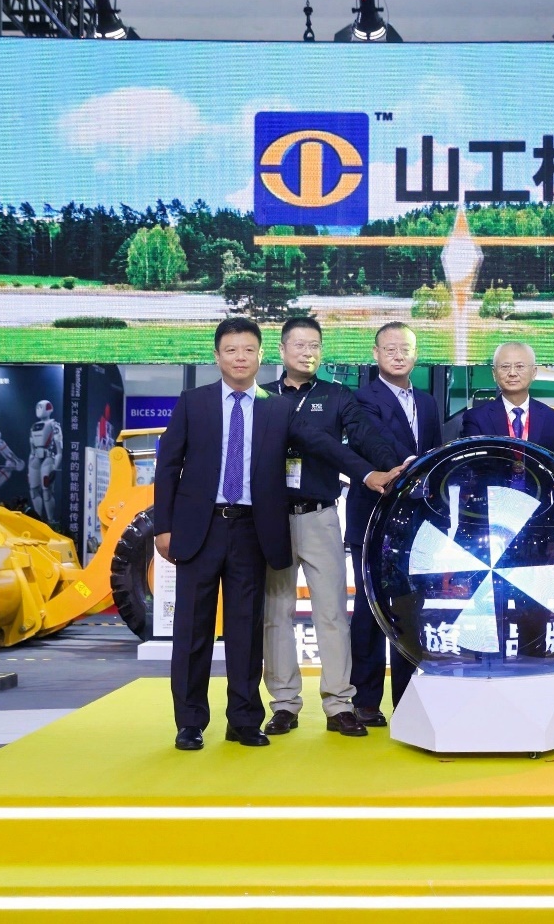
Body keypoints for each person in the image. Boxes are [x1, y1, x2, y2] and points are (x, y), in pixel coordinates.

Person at [153, 318, 402, 752]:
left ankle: (244, 720)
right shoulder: (194, 402)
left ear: (260, 355)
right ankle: (190, 723)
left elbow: (325, 446)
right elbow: (168, 465)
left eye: (248, 350)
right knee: (194, 630)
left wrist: (369, 474)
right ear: (217, 356)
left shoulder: (276, 407)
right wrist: (164, 527)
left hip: (253, 529)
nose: (240, 358)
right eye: (231, 350)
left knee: (247, 631)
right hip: (200, 529)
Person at [261, 316, 399, 739]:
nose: (307, 352)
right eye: (299, 345)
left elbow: (365, 437)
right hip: (271, 518)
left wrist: (392, 466)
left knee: (333, 613)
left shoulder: (337, 396)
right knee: (276, 613)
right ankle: (284, 704)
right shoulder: (262, 396)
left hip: (320, 516)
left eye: (314, 345)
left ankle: (339, 703)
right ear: (282, 350)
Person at [347, 323, 443, 726]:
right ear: (375, 354)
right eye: (390, 349)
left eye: (405, 349)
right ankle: (365, 699)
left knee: (411, 607)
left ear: (415, 355)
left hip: (417, 522)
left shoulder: (428, 402)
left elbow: (437, 454)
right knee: (370, 609)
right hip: (373, 514)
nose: (398, 355)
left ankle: (408, 699)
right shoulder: (361, 399)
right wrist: (413, 467)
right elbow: (375, 443)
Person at [460, 341, 554, 453]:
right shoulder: (476, 418)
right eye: (505, 367)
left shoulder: (553, 419)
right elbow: (474, 462)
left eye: (519, 366)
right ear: (494, 373)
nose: (512, 373)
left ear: (534, 372)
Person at [28, 399, 63, 526]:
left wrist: (55, 468)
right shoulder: (34, 427)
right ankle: (38, 519)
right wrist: (29, 469)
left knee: (46, 490)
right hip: (35, 459)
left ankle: (50, 520)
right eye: (38, 407)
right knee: (33, 490)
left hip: (48, 458)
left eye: (41, 407)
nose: (39, 410)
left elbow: (59, 450)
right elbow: (32, 451)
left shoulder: (54, 425)